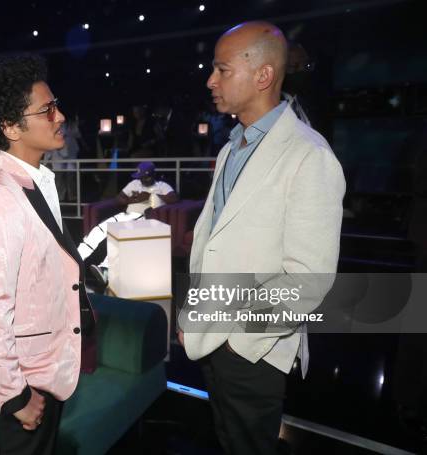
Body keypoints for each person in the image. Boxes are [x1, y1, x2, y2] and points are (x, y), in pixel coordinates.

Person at [177, 21, 345, 455]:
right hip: (212, 337)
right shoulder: (231, 148)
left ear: (263, 76)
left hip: (252, 350)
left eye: (221, 69)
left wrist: (240, 340)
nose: (210, 80)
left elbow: (309, 279)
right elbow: (213, 243)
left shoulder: (310, 156)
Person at [0, 54, 95, 455]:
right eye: (47, 109)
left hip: (48, 366)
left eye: (56, 105)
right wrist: (15, 395)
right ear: (9, 126)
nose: (60, 116)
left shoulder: (34, 180)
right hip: (28, 379)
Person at [79, 161, 178, 286]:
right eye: (140, 177)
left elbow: (174, 198)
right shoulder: (134, 184)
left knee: (119, 233)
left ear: (151, 176)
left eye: (143, 177)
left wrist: (151, 195)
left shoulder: (162, 186)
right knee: (99, 229)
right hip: (126, 214)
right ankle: (77, 259)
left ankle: (105, 270)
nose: (141, 180)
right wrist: (135, 199)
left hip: (144, 218)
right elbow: (119, 198)